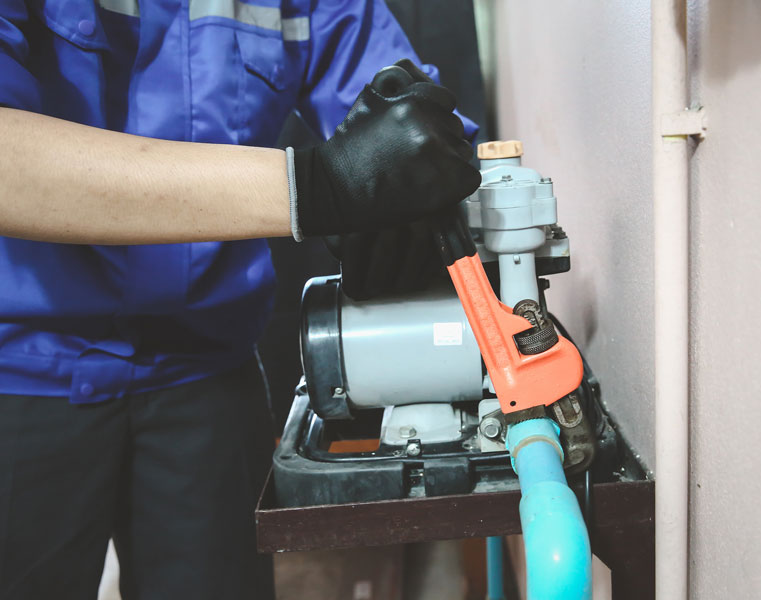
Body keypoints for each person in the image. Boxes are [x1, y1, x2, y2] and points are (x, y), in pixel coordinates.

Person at [0, 1, 480, 599]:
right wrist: (317, 186)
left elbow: (402, 106)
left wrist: (422, 162)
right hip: (19, 372)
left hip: (206, 376)